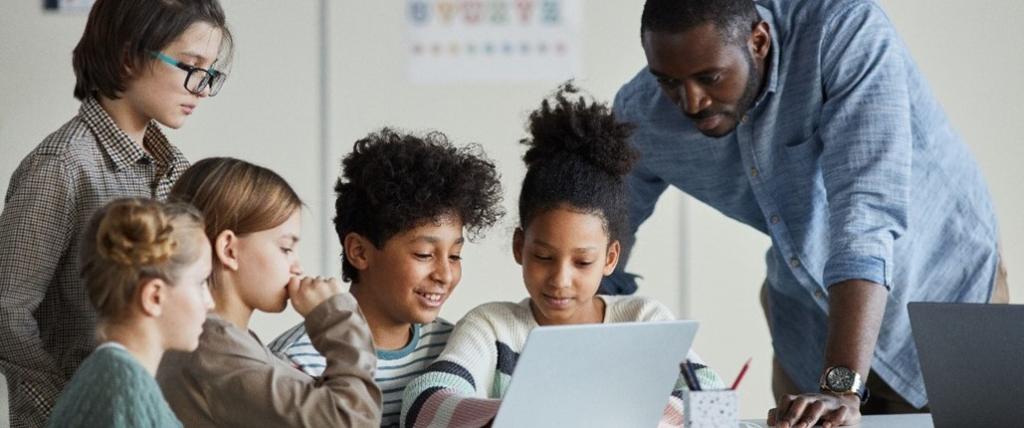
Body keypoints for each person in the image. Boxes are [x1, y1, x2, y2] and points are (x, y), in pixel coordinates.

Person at [608, 0, 1007, 426]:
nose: (690, 102)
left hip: (944, 301)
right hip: (806, 327)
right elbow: (597, 246)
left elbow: (864, 217)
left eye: (710, 77)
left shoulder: (843, 32)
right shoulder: (642, 115)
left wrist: (839, 388)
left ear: (758, 41)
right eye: (668, 81)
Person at [401, 84, 723, 428]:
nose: (560, 279)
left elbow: (713, 400)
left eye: (583, 262)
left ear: (611, 257)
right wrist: (526, 415)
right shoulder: (493, 329)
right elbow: (424, 402)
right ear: (519, 247)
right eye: (543, 257)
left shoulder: (644, 321)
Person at [0, 1, 232, 425]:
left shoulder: (176, 169)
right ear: (129, 56)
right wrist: (67, 409)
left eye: (211, 72)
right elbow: (6, 311)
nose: (201, 87)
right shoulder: (63, 165)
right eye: (190, 65)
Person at [269, 128, 504, 428]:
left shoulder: (456, 350)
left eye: (455, 255)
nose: (445, 274)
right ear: (360, 252)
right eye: (423, 254)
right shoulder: (295, 363)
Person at [156, 157, 382, 427]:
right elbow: (352, 420)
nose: (297, 266)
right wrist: (337, 317)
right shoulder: (213, 350)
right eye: (286, 248)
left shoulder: (225, 342)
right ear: (229, 250)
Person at [46, 198, 213, 427]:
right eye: (201, 282)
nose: (210, 302)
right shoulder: (124, 387)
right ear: (154, 296)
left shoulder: (107, 376)